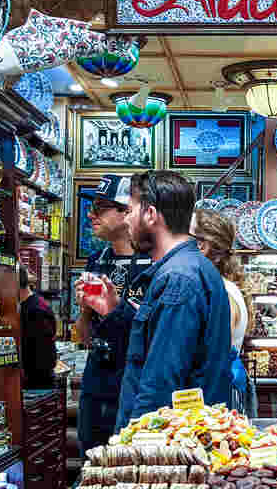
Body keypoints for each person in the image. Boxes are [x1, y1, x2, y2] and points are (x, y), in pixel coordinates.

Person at [81, 171, 230, 426]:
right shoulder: (192, 267)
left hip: (164, 442)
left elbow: (161, 380)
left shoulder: (178, 278)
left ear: (150, 214)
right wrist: (115, 311)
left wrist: (135, 444)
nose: (127, 221)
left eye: (129, 211)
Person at [74, 174, 148, 453]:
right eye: (92, 206)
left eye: (102, 207)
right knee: (92, 461)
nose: (91, 214)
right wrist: (83, 312)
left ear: (127, 210)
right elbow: (82, 337)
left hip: (135, 382)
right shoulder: (96, 261)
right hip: (97, 381)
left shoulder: (154, 261)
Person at [191, 209, 250, 414]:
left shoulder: (221, 292)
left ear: (202, 247)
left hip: (215, 399)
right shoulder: (221, 286)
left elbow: (214, 350)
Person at [19, 264, 58, 389]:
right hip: (37, 380)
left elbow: (43, 356)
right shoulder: (33, 304)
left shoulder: (35, 310)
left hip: (37, 383)